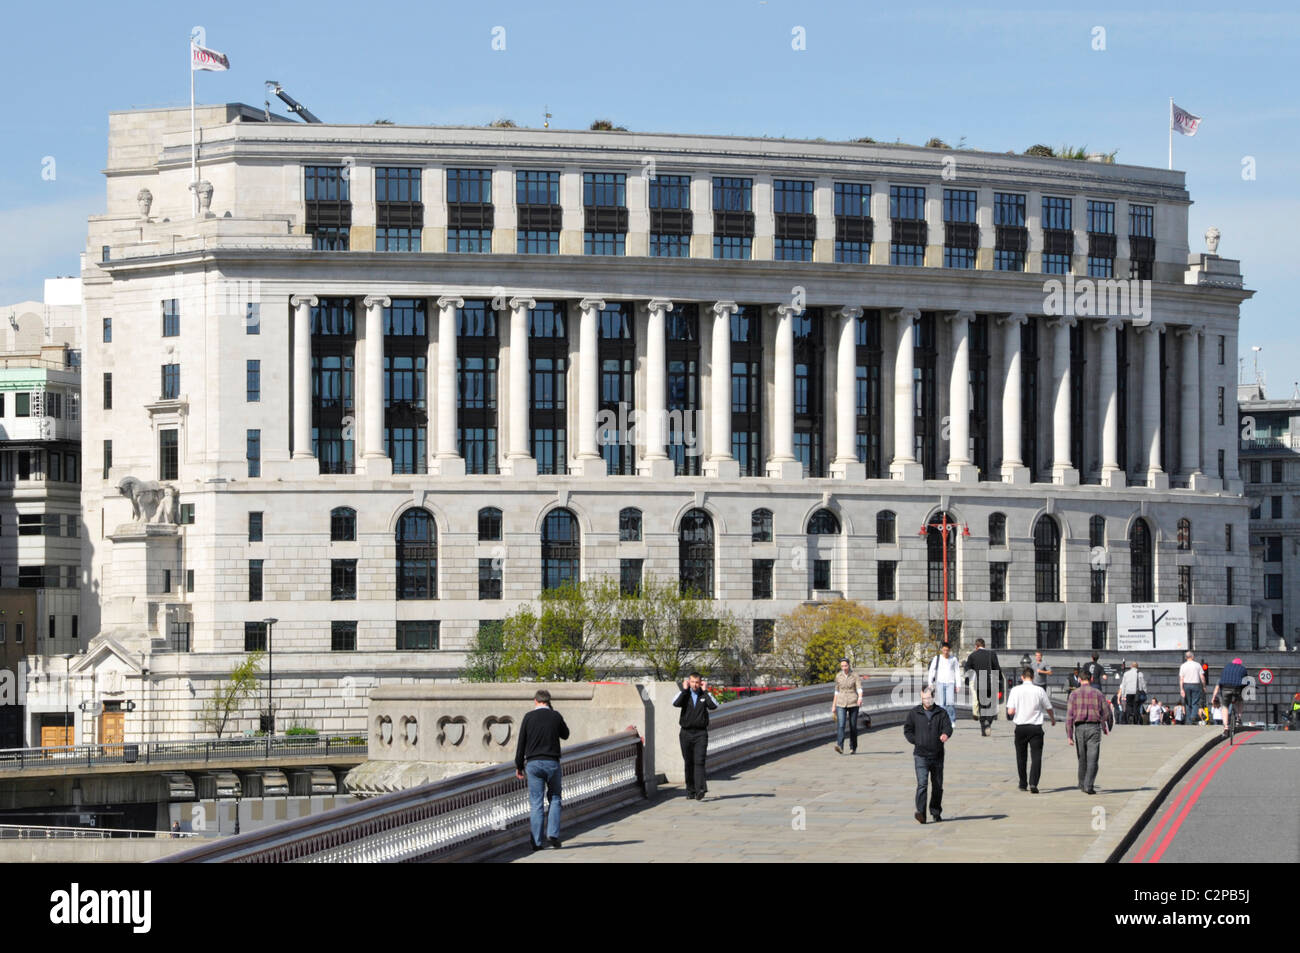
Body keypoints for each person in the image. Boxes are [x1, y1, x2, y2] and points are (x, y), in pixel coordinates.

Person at [514, 688, 571, 850]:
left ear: (535, 700)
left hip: (533, 764)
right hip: (552, 763)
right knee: (555, 798)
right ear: (549, 701)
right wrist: (553, 714)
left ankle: (537, 842)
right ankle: (552, 833)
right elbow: (565, 734)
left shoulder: (528, 717)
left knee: (536, 802)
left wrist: (519, 765)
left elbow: (521, 744)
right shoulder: (555, 716)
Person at [902, 687, 952, 824]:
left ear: (933, 697)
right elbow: (907, 730)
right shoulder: (914, 713)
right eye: (924, 698)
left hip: (937, 754)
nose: (926, 701)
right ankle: (921, 813)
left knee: (937, 785)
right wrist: (916, 741)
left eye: (928, 698)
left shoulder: (941, 713)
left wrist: (945, 734)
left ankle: (935, 812)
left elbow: (948, 727)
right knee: (922, 784)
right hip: (920, 755)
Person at [1006, 667, 1056, 793]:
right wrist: (1052, 719)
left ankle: (1023, 783)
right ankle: (1033, 783)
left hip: (1021, 727)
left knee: (1021, 757)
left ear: (1022, 677)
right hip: (1035, 728)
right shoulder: (1039, 690)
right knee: (1036, 756)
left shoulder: (1015, 690)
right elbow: (1048, 707)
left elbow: (1010, 711)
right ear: (1033, 677)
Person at [673, 671, 719, 799]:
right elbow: (676, 703)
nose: (694, 685)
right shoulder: (684, 694)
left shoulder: (704, 695)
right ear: (689, 682)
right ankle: (690, 790)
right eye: (692, 682)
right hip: (686, 733)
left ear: (701, 683)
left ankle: (700, 790)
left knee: (699, 761)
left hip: (700, 733)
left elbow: (713, 706)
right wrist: (684, 690)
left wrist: (705, 691)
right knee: (688, 762)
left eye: (697, 682)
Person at [1065, 669, 1110, 794]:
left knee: (1082, 758)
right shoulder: (1098, 693)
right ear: (1091, 679)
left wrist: (1069, 735)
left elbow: (1069, 716)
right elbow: (1106, 712)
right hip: (1094, 728)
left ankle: (1081, 783)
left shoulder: (1073, 694)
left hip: (1079, 728)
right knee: (1093, 759)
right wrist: (1105, 726)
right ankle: (1088, 786)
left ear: (1079, 679)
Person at [963, 638, 1003, 736]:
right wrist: (1000, 679)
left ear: (976, 646)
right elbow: (997, 668)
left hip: (979, 684)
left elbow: (967, 668)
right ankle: (988, 722)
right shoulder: (991, 654)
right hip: (991, 683)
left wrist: (969, 680)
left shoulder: (972, 655)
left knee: (982, 707)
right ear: (984, 645)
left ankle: (983, 731)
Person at [831, 658, 864, 754]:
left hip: (853, 702)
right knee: (841, 725)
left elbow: (859, 688)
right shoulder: (838, 676)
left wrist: (860, 698)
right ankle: (840, 746)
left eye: (845, 666)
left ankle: (853, 747)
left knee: (853, 726)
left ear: (849, 665)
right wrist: (833, 705)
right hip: (841, 702)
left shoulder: (855, 675)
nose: (844, 668)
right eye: (842, 666)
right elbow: (836, 691)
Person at [1210, 657, 1249, 738]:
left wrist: (1214, 696)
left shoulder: (1226, 667)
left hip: (1225, 687)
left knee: (1225, 706)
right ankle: (1238, 718)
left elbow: (1219, 683)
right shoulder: (1242, 669)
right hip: (1237, 687)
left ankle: (1226, 727)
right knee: (1240, 701)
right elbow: (1246, 681)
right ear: (1240, 664)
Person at [927, 642, 961, 727]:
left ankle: (952, 720)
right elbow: (932, 670)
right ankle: (943, 721)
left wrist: (958, 685)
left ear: (949, 650)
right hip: (940, 682)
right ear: (942, 649)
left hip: (950, 683)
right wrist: (930, 682)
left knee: (950, 703)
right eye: (944, 650)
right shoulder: (937, 658)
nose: (945, 652)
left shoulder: (953, 659)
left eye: (947, 650)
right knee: (941, 704)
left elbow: (957, 672)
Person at [1179, 651, 1206, 726]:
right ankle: (1193, 716)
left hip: (1186, 685)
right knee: (1195, 702)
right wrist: (1204, 686)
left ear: (1185, 657)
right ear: (1193, 657)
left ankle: (1189, 721)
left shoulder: (1183, 666)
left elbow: (1181, 678)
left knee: (1187, 703)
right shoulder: (1197, 665)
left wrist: (1181, 689)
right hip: (1196, 684)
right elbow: (1202, 677)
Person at [1118, 661, 1147, 726]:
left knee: (1128, 706)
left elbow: (1123, 685)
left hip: (1128, 693)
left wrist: (1123, 695)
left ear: (1131, 666)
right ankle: (1136, 721)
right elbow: (1143, 684)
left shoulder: (1126, 674)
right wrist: (1145, 692)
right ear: (1137, 667)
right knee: (1136, 707)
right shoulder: (1140, 674)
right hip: (1137, 693)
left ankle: (1129, 718)